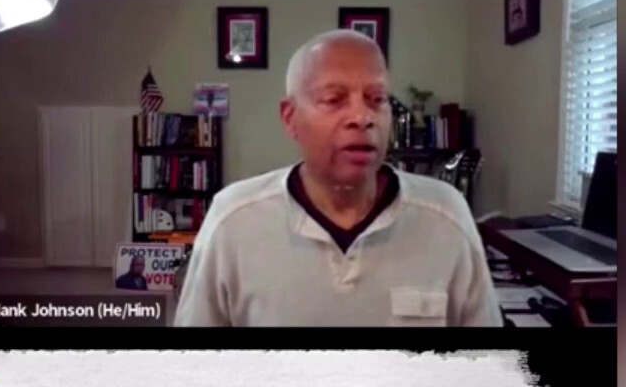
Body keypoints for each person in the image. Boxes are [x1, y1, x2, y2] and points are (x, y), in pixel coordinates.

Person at [173, 30, 501, 327]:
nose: (362, 117)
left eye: (377, 99)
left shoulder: (447, 216)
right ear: (290, 118)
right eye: (334, 99)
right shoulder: (232, 220)